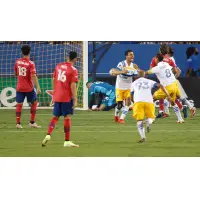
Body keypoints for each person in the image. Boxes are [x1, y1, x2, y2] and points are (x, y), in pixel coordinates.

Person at [42, 51, 79, 147]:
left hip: (57, 95)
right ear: (75, 59)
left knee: (55, 117)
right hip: (66, 97)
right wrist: (75, 99)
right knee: (67, 117)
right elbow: (73, 84)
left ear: (67, 57)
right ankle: (67, 141)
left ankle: (48, 134)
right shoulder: (73, 69)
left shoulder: (58, 66)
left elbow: (54, 79)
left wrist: (55, 92)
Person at [131, 70, 172, 143]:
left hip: (138, 102)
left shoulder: (133, 83)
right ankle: (149, 122)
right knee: (151, 117)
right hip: (149, 101)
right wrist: (168, 95)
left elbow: (130, 95)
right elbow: (160, 85)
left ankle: (143, 137)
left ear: (137, 76)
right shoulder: (149, 81)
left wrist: (133, 102)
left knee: (139, 121)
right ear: (145, 76)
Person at [147, 53, 184, 123]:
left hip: (167, 87)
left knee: (151, 99)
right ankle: (180, 119)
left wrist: (137, 71)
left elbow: (146, 73)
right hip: (174, 84)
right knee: (172, 102)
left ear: (157, 59)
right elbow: (173, 70)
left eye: (155, 58)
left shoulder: (156, 68)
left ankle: (150, 118)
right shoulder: (166, 64)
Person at [14, 45, 41, 129]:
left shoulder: (17, 62)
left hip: (19, 87)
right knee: (34, 102)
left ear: (22, 52)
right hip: (29, 88)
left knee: (19, 104)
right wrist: (38, 87)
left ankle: (18, 124)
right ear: (29, 52)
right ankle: (32, 122)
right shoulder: (31, 63)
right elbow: (33, 76)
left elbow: (16, 74)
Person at [110, 49, 140, 124]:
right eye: (130, 54)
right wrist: (122, 72)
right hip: (119, 87)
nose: (132, 56)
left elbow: (138, 75)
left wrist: (138, 74)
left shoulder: (134, 66)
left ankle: (121, 118)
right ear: (126, 56)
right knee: (119, 105)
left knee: (128, 102)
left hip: (129, 87)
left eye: (133, 54)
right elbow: (114, 72)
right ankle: (116, 115)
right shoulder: (121, 64)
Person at [168, 46, 196, 118]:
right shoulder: (170, 59)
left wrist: (172, 79)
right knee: (179, 97)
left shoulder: (170, 60)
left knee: (171, 97)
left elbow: (178, 71)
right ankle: (189, 107)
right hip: (172, 81)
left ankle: (183, 109)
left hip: (171, 82)